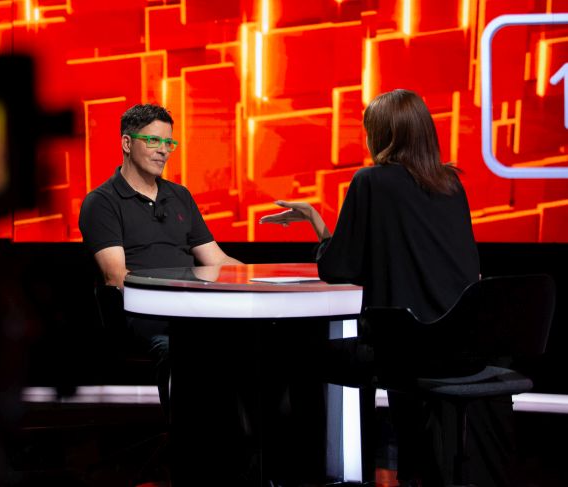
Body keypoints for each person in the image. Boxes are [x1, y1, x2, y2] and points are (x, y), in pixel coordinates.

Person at [261, 89, 514, 486]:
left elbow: (338, 267)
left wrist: (317, 223)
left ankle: (293, 475)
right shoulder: (451, 183)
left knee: (289, 351)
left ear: (382, 135)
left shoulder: (370, 181)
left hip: (407, 351)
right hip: (462, 349)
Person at [78, 103, 241, 414]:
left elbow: (216, 259)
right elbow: (116, 276)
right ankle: (186, 437)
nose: (163, 150)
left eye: (168, 142)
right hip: (145, 317)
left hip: (194, 310)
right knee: (183, 350)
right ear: (127, 143)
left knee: (252, 342)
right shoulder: (101, 202)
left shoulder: (180, 195)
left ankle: (238, 437)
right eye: (153, 140)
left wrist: (265, 277)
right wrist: (173, 301)